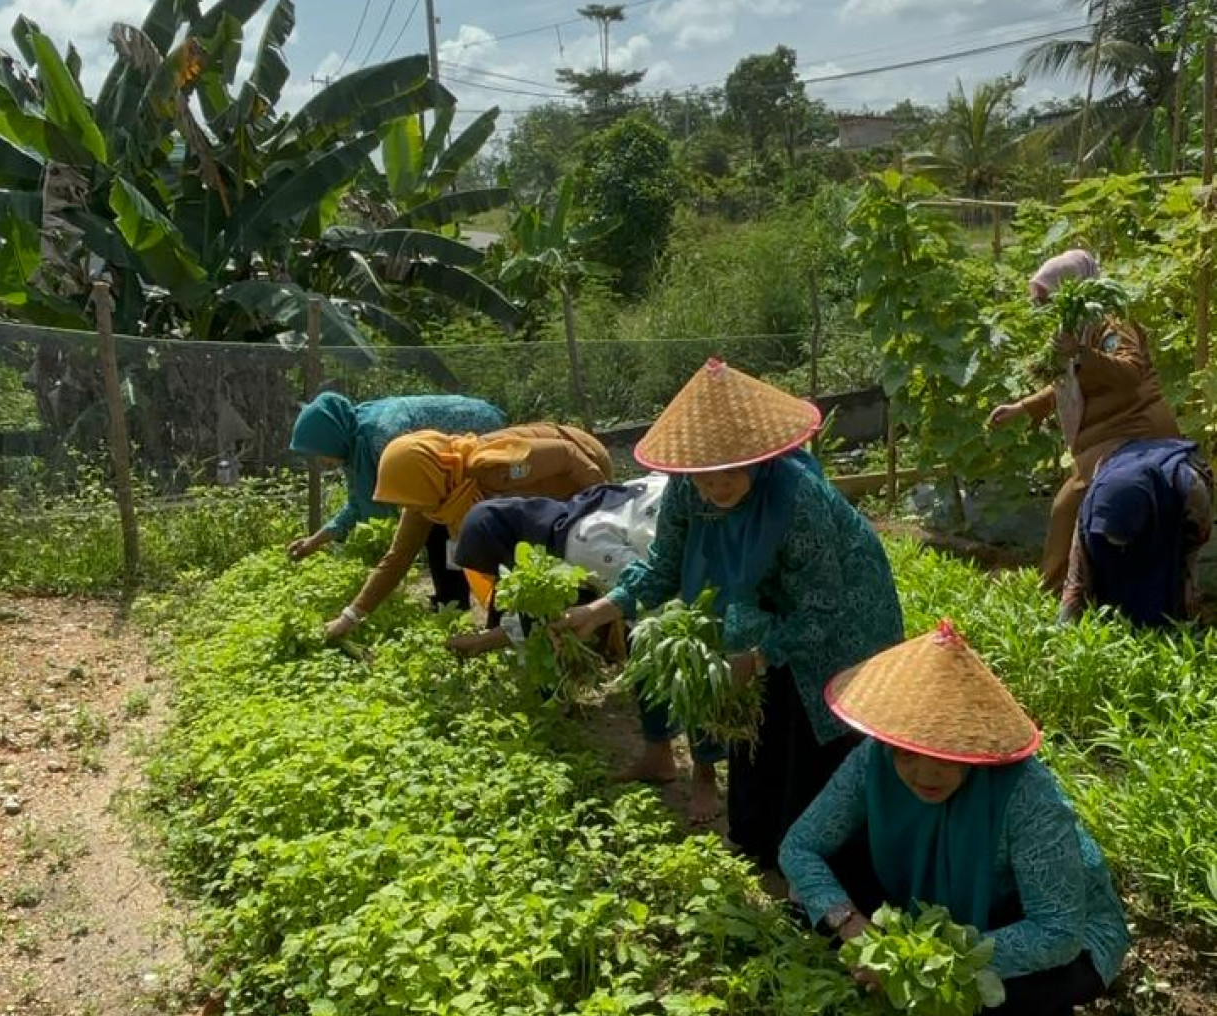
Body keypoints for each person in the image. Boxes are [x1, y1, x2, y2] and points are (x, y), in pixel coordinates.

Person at [558, 359, 904, 870]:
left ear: (758, 457)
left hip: (840, 618)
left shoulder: (797, 497)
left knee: (811, 739)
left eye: (726, 474)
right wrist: (601, 609)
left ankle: (813, 870)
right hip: (756, 615)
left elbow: (821, 607)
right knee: (754, 728)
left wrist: (759, 657)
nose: (714, 488)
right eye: (702, 476)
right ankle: (758, 846)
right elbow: (664, 564)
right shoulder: (686, 488)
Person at [779, 620, 1131, 1016]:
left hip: (1033, 922)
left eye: (946, 756)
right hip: (932, 899)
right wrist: (855, 929)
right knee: (813, 897)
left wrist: (927, 966)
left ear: (976, 748)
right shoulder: (873, 761)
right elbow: (800, 846)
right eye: (908, 755)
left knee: (1016, 1001)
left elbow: (1058, 930)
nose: (925, 772)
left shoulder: (1026, 795)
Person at [448, 475, 724, 821]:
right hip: (679, 525)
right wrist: (481, 643)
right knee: (645, 647)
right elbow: (552, 618)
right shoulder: (564, 524)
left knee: (678, 657)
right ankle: (658, 757)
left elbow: (654, 591)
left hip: (701, 540)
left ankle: (705, 776)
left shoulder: (581, 544)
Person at [988, 247, 1180, 593]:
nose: (1043, 308)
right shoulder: (1078, 329)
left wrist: (1079, 352)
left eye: (1048, 298)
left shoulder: (1112, 325)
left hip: (1135, 433)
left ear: (1072, 288)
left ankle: (1054, 589)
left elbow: (1131, 372)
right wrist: (1022, 407)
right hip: (1110, 436)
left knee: (1068, 504)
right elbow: (1068, 382)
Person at [325, 420, 612, 640]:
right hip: (527, 510)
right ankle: (518, 634)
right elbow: (397, 558)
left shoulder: (491, 466)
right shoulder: (430, 496)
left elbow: (568, 455)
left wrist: (604, 506)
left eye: (408, 494)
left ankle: (599, 628)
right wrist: (350, 616)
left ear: (425, 474)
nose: (408, 506)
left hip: (579, 470)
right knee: (517, 570)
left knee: (576, 560)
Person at [288, 390, 505, 608]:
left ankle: (489, 609)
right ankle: (451, 602)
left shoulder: (383, 435)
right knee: (435, 523)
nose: (322, 460)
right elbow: (356, 506)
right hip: (443, 466)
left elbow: (416, 479)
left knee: (458, 523)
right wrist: (313, 542)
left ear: (330, 437)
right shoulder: (355, 442)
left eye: (320, 451)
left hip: (479, 438)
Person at [1060, 436, 1213, 627]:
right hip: (1123, 467)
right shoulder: (1092, 509)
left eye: (1123, 543)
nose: (1119, 549)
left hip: (1168, 507)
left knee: (1172, 582)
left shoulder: (1190, 490)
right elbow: (1077, 579)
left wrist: (1188, 621)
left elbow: (1190, 554)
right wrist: (1064, 635)